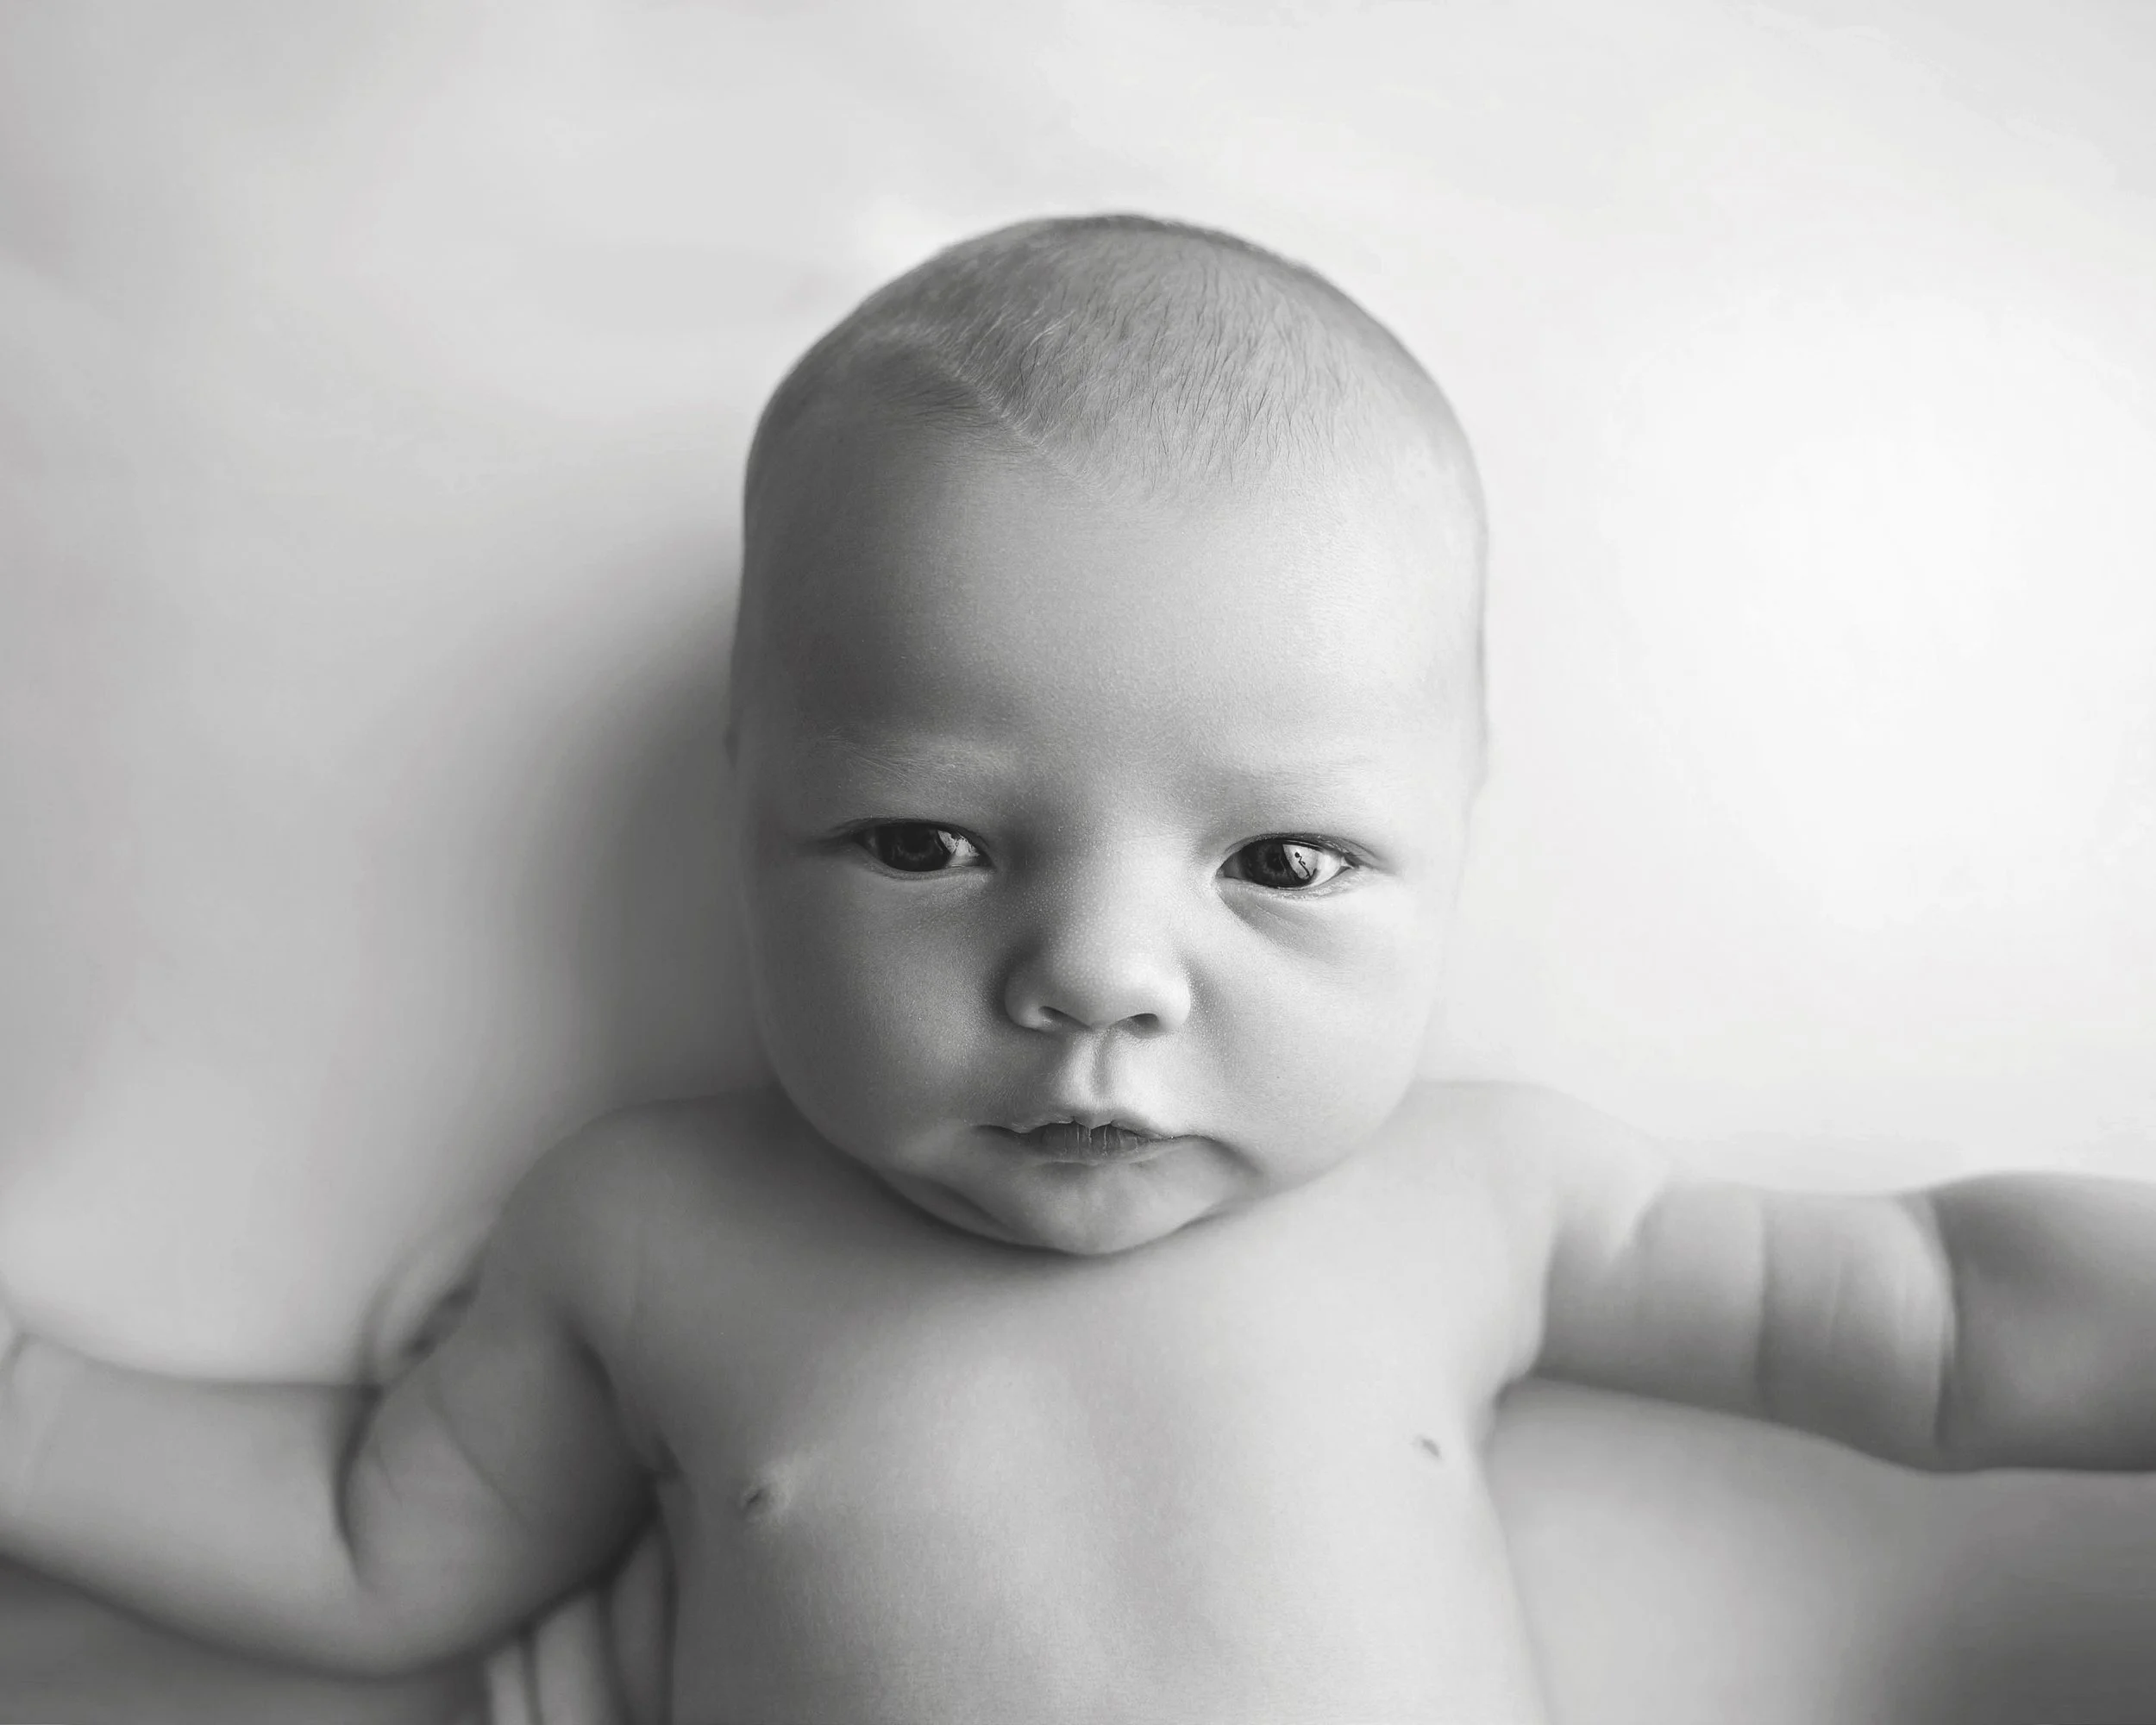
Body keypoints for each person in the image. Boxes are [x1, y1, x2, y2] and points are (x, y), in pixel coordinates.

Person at [4, 214, 2154, 1725]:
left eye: (1285, 860)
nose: (1099, 973)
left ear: (1462, 831)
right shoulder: (651, 1231)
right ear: (746, 805)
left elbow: (1941, 1324)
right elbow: (378, 1545)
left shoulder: (1481, 1198)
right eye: (928, 842)